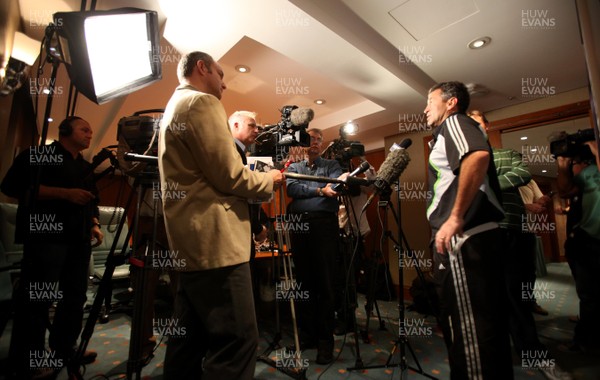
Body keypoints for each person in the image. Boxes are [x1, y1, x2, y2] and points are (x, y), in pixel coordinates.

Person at [158, 51, 283, 379]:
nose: (224, 84)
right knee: (237, 342)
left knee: (188, 340)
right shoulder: (201, 103)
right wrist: (269, 180)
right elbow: (230, 176)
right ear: (202, 68)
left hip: (191, 245)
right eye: (219, 73)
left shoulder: (173, 108)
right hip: (217, 246)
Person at [1, 116, 102, 379]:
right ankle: (28, 361)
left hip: (79, 241)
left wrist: (94, 223)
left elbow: (92, 201)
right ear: (66, 129)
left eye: (91, 131)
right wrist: (64, 194)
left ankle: (64, 349)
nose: (90, 134)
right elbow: (12, 187)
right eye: (85, 128)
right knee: (38, 298)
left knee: (75, 298)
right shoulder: (37, 156)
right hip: (46, 237)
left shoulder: (87, 167)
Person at [425, 82, 513, 379]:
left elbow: (476, 156)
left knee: (469, 332)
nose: (425, 108)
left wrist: (455, 217)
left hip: (466, 241)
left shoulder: (455, 123)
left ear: (450, 102)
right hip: (473, 241)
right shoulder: (446, 131)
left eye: (430, 100)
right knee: (479, 327)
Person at [285, 128, 344, 364]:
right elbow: (292, 189)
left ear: (323, 143)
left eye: (319, 139)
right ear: (303, 143)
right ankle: (307, 336)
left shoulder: (332, 165)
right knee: (303, 283)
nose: (315, 143)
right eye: (310, 139)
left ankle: (325, 343)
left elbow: (336, 188)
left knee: (325, 285)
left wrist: (311, 192)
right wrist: (320, 190)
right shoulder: (294, 167)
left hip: (324, 228)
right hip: (299, 227)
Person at [556, 138, 600, 353]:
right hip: (588, 240)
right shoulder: (589, 172)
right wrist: (563, 166)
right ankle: (585, 342)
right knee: (588, 295)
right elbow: (565, 191)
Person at [228, 110, 270, 248]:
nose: (257, 130)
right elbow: (240, 189)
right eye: (251, 126)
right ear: (236, 125)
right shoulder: (231, 150)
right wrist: (269, 180)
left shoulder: (238, 151)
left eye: (257, 127)